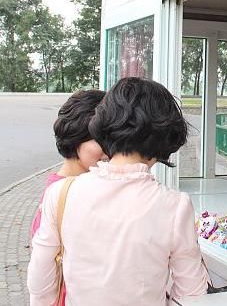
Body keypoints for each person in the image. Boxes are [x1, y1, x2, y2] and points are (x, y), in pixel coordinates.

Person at [28, 77, 208, 305]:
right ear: (166, 136)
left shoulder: (61, 192)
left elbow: (41, 283)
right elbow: (192, 291)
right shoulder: (175, 205)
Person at [30, 89, 107, 240]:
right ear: (75, 137)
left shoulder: (88, 185)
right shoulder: (64, 196)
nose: (112, 150)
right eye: (101, 140)